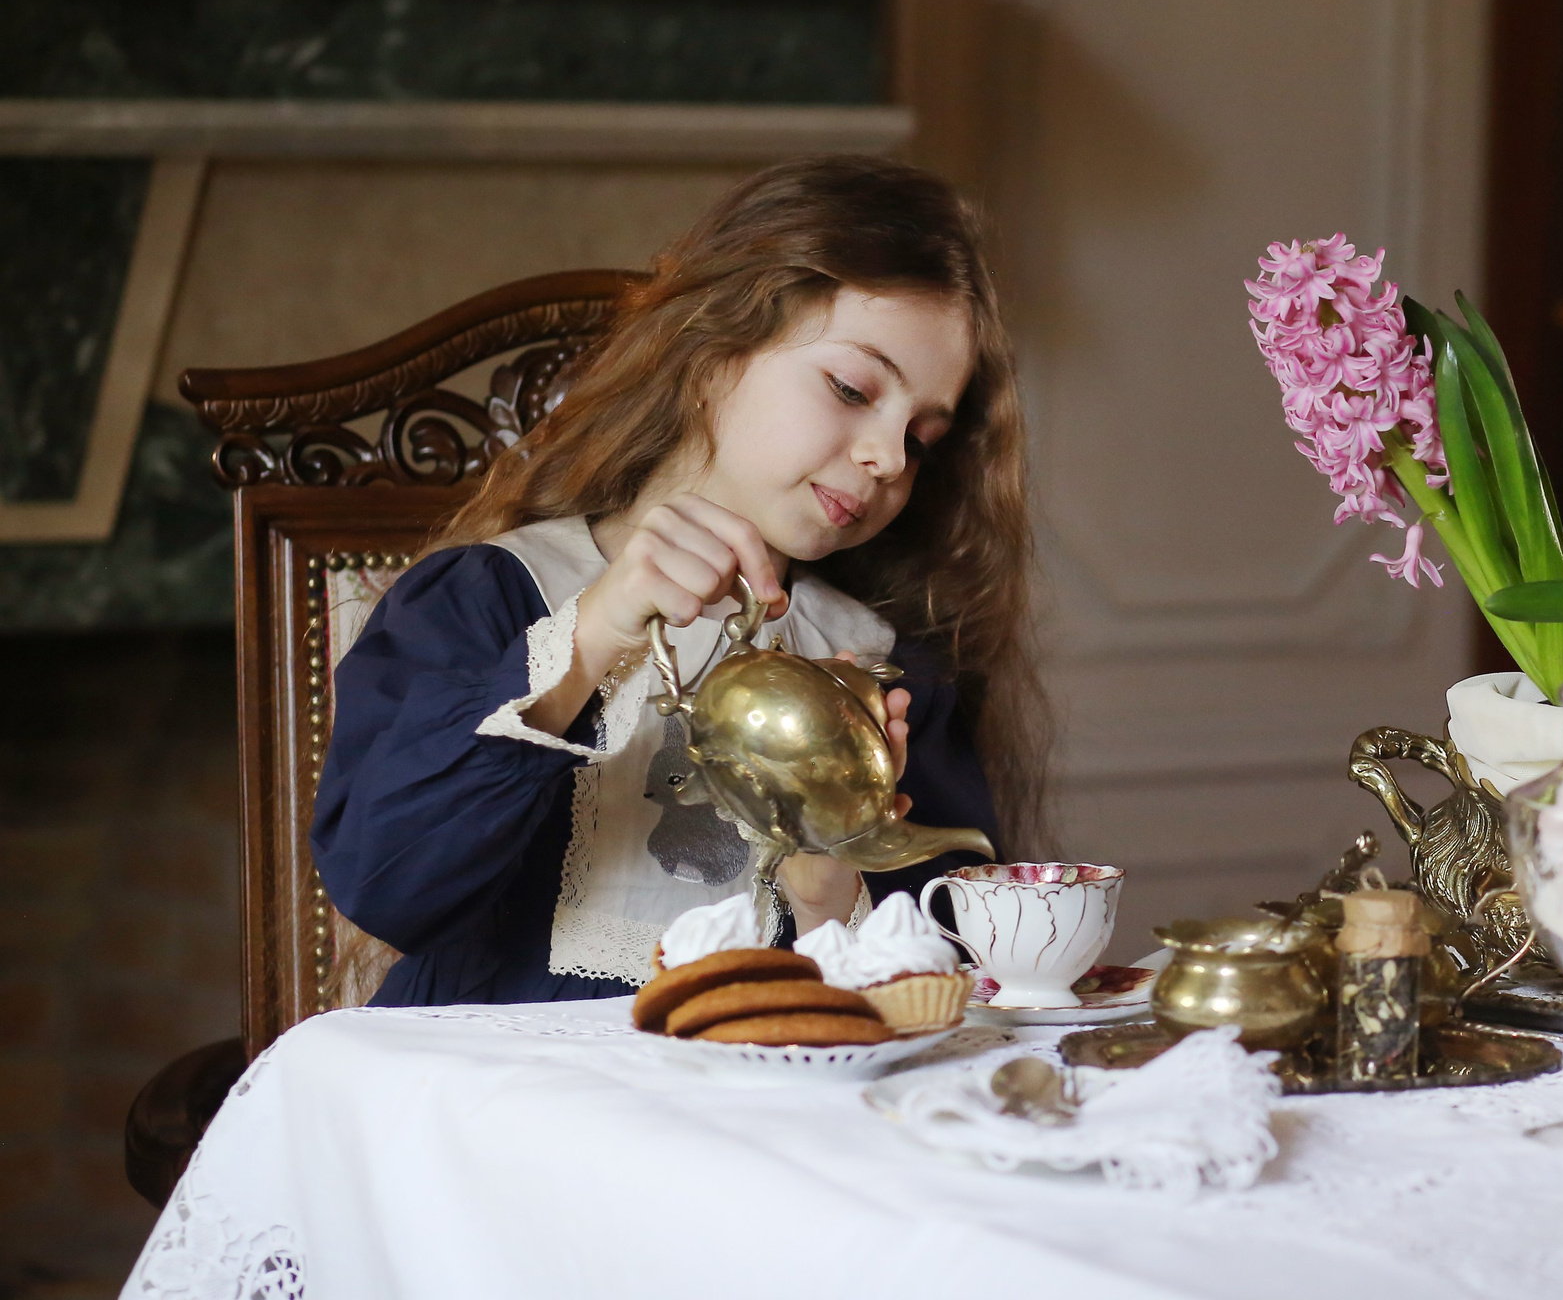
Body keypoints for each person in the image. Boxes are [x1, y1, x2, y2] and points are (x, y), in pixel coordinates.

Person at [312, 156, 1049, 1006]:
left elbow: (954, 980)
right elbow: (388, 884)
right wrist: (589, 640)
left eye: (920, 436)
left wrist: (834, 873)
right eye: (852, 389)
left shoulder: (882, 668)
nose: (888, 456)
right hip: (506, 1104)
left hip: (757, 1110)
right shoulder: (497, 596)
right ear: (711, 355)